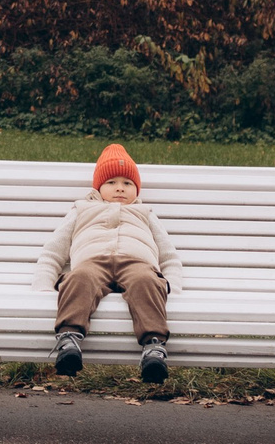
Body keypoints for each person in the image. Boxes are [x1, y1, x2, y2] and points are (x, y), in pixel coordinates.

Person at [33, 143, 183, 382]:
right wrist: (42, 284)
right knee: (78, 278)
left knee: (146, 281)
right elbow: (54, 250)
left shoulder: (145, 212)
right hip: (92, 262)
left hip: (137, 263)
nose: (120, 189)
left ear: (137, 189)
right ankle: (69, 340)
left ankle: (154, 348)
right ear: (98, 187)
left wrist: (172, 286)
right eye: (111, 182)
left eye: (127, 183)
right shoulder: (82, 209)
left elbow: (168, 254)